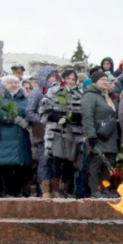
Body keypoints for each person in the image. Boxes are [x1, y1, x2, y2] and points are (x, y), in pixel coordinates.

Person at [40, 68, 84, 198]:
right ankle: (55, 189)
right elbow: (44, 109)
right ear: (63, 79)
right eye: (68, 78)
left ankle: (65, 188)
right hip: (57, 130)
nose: (71, 81)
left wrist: (75, 116)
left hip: (72, 131)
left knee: (70, 160)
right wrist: (57, 115)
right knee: (57, 158)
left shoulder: (79, 94)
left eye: (73, 79)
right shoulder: (54, 90)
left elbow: (83, 112)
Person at [0, 75, 33, 196]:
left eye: (16, 82)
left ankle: (18, 191)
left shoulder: (24, 99)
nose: (13, 85)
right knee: (6, 166)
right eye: (10, 83)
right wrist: (13, 118)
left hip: (20, 136)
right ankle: (7, 191)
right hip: (4, 136)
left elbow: (29, 111)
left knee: (20, 165)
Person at [81, 71, 119, 198]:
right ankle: (95, 189)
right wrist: (91, 135)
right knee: (96, 163)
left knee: (108, 164)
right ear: (95, 81)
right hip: (97, 135)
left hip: (109, 135)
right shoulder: (89, 96)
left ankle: (105, 188)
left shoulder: (106, 96)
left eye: (106, 80)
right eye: (102, 79)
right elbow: (87, 116)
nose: (105, 82)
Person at [26, 66, 60, 198]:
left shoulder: (56, 92)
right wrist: (43, 119)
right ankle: (44, 189)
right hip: (42, 133)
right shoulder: (37, 93)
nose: (53, 79)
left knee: (55, 162)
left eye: (55, 76)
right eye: (51, 76)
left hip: (55, 132)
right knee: (44, 161)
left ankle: (54, 188)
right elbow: (29, 112)